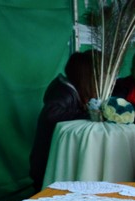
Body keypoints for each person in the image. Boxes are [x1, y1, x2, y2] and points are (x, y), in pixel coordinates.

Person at [28, 50, 96, 190]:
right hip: (46, 167)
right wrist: (88, 114)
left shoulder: (67, 89)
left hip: (47, 163)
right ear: (86, 76)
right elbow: (51, 115)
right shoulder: (64, 92)